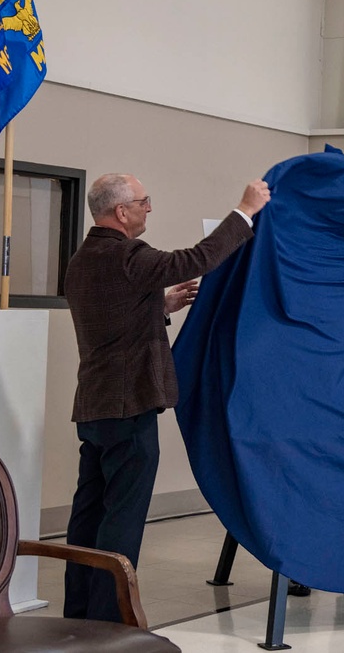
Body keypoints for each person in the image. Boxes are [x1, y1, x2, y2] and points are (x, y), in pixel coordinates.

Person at [63, 172, 270, 622]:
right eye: (143, 201)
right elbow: (198, 257)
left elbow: (109, 318)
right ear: (121, 212)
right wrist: (245, 211)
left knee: (87, 518)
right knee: (122, 519)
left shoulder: (84, 258)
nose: (149, 208)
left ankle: (80, 614)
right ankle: (111, 621)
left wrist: (159, 306)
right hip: (129, 406)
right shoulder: (128, 255)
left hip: (95, 407)